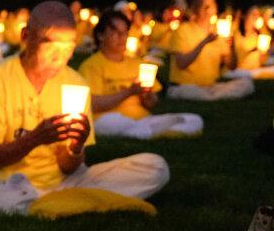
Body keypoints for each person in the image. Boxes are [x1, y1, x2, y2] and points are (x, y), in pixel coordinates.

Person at [0, 1, 170, 215]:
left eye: (68, 46)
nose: (61, 56)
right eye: (51, 43)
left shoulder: (75, 84)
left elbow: (69, 167)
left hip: (63, 180)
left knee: (156, 168)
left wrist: (76, 146)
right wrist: (36, 137)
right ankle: (76, 202)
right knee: (2, 201)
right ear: (26, 36)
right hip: (6, 181)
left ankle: (58, 204)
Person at [78, 10, 202, 139]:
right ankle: (155, 132)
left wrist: (147, 97)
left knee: (194, 119)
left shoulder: (138, 64)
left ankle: (147, 132)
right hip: (108, 119)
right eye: (115, 32)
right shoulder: (91, 66)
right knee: (111, 122)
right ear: (100, 36)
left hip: (141, 119)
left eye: (125, 32)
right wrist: (129, 92)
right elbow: (93, 105)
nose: (122, 37)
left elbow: (152, 103)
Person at [167, 0, 254, 101]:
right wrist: (204, 42)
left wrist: (231, 46)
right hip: (184, 86)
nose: (208, 10)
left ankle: (213, 96)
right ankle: (213, 96)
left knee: (246, 83)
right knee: (194, 92)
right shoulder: (182, 30)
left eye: (211, 6)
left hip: (210, 87)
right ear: (196, 9)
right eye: (204, 6)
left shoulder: (219, 34)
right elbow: (181, 64)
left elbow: (232, 66)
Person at [225, 5, 274, 79]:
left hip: (254, 70)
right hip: (239, 71)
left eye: (258, 15)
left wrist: (267, 51)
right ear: (244, 15)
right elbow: (232, 65)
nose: (256, 17)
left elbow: (261, 59)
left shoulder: (257, 35)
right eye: (253, 14)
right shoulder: (235, 35)